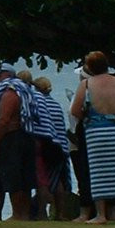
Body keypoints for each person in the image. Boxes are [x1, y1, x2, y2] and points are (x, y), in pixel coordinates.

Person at [70, 51, 115, 224]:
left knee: (98, 172)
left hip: (95, 132)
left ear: (90, 68)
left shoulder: (86, 84)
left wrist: (87, 116)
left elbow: (75, 110)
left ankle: (101, 214)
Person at [0, 64, 36, 221]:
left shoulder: (10, 92)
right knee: (24, 177)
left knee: (15, 177)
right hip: (26, 136)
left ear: (6, 74)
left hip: (12, 137)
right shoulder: (25, 91)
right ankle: (23, 213)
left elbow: (4, 119)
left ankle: (18, 213)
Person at [27, 75, 71, 220]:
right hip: (60, 147)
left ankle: (42, 212)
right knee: (57, 181)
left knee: (43, 180)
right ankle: (61, 213)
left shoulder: (38, 102)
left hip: (47, 145)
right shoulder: (56, 105)